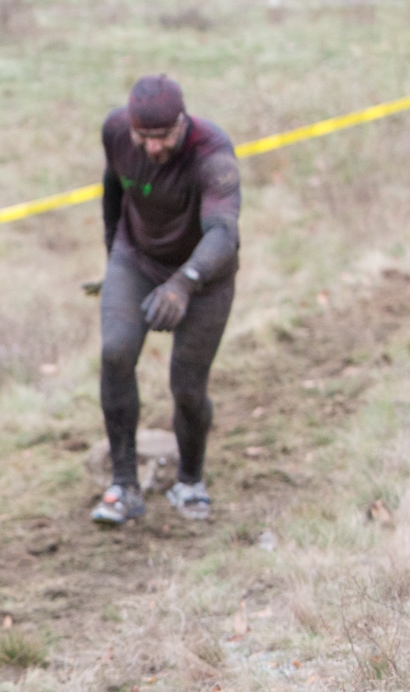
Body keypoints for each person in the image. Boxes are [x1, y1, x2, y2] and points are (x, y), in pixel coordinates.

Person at [91, 74, 241, 525]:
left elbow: (224, 233)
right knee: (116, 352)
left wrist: (184, 282)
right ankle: (123, 485)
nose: (153, 148)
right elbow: (113, 184)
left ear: (182, 120)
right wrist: (112, 259)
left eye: (163, 137)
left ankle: (190, 480)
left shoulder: (212, 154)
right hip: (135, 258)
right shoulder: (116, 130)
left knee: (188, 388)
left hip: (205, 275)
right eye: (144, 137)